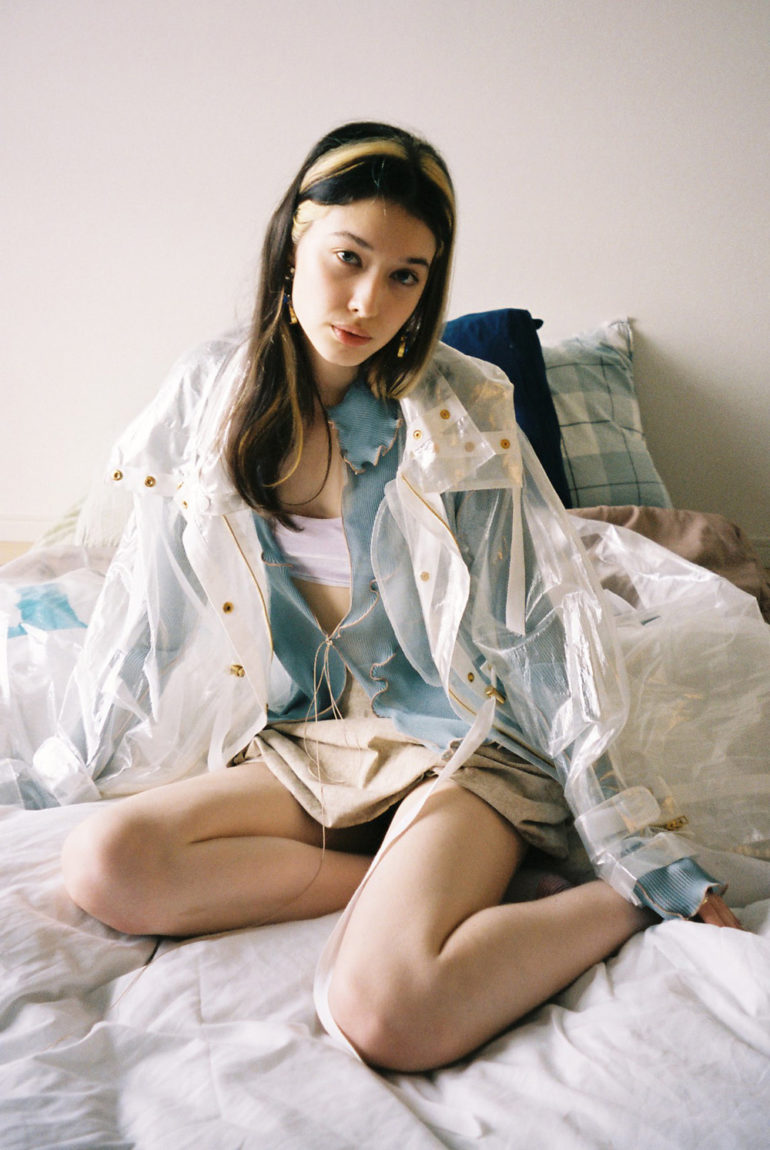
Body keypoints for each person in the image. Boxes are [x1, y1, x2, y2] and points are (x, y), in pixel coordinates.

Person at [57, 121, 746, 1073]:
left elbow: (538, 636)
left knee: (390, 1015)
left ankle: (606, 906)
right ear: (294, 241)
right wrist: (73, 766)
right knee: (106, 865)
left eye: (405, 276)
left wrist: (639, 857)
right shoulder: (208, 394)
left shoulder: (461, 407)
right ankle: (396, 883)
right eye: (348, 258)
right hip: (315, 741)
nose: (368, 302)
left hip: (465, 740)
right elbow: (151, 612)